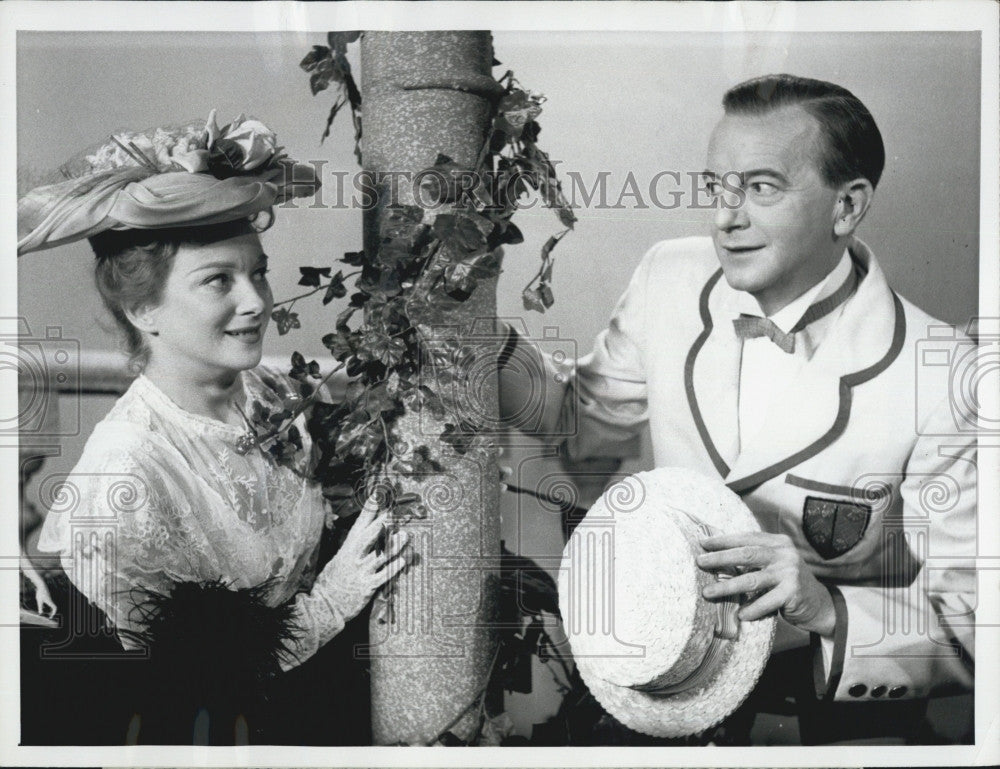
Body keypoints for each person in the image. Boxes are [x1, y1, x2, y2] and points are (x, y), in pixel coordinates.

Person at [498, 74, 976, 744]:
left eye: (760, 187)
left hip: (840, 727)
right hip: (675, 696)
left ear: (848, 206)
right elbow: (576, 421)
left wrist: (830, 607)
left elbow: (978, 624)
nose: (725, 217)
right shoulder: (669, 276)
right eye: (715, 187)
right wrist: (483, 342)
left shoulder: (947, 371)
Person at [18, 112, 409, 745]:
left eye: (257, 271)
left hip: (319, 706)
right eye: (217, 281)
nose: (256, 301)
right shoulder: (127, 472)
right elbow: (184, 683)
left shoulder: (271, 393)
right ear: (143, 309)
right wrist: (332, 600)